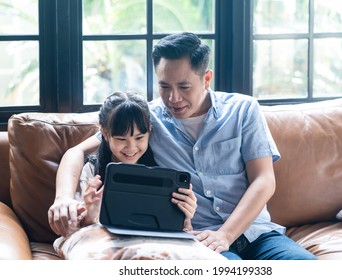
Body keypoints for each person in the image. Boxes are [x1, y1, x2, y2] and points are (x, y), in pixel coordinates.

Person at [48, 32, 316, 260]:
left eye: (184, 87)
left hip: (258, 233)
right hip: (197, 240)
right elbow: (77, 152)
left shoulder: (244, 110)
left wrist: (226, 234)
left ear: (206, 78)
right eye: (164, 86)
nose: (173, 98)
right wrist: (63, 198)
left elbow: (264, 180)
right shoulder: (147, 120)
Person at [49, 91, 196, 235]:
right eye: (121, 139)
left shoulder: (161, 169)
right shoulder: (92, 172)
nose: (131, 148)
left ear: (149, 131)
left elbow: (181, 230)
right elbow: (76, 229)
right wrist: (89, 214)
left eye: (139, 138)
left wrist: (186, 219)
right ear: (105, 133)